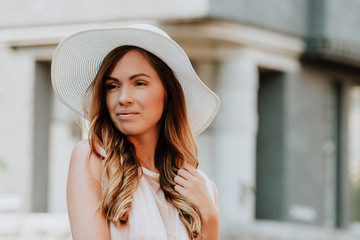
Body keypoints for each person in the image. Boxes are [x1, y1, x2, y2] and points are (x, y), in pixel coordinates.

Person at [51, 24, 220, 240]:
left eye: (139, 83)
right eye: (113, 86)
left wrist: (211, 219)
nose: (123, 98)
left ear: (167, 94)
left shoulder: (202, 188)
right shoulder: (92, 160)